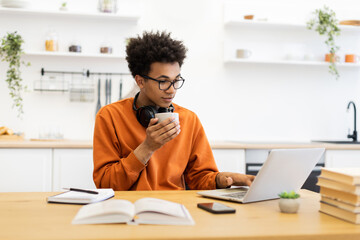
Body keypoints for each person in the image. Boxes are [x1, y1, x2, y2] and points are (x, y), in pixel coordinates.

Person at [93, 31, 255, 190]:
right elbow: (105, 184)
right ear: (140, 81)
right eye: (163, 81)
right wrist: (147, 147)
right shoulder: (110, 116)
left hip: (176, 208)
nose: (172, 90)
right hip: (130, 209)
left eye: (176, 80)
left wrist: (223, 179)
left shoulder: (189, 119)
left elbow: (199, 178)